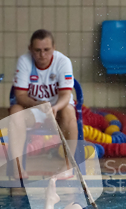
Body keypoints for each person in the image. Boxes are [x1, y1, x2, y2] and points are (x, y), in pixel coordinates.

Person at [9, 29, 77, 179]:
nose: (42, 55)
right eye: (37, 50)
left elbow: (66, 94)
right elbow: (20, 95)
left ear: (54, 47)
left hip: (58, 107)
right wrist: (38, 104)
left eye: (47, 50)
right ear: (30, 49)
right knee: (15, 111)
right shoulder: (24, 61)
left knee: (70, 114)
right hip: (34, 107)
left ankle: (68, 166)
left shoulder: (63, 62)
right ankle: (18, 168)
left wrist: (56, 107)